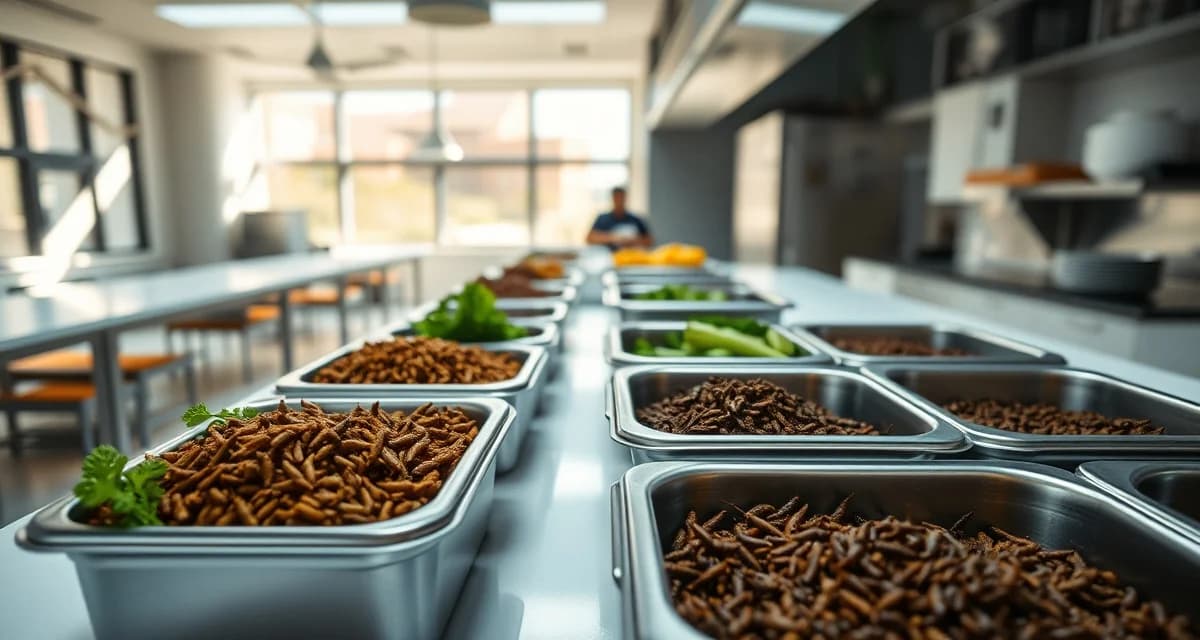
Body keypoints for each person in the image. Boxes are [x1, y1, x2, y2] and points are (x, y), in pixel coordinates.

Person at [586, 186, 654, 250]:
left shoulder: (635, 219)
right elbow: (589, 238)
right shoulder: (603, 219)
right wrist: (613, 238)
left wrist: (632, 240)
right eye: (617, 197)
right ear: (613, 198)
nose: (619, 201)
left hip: (631, 255)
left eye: (621, 197)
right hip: (610, 255)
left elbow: (649, 240)